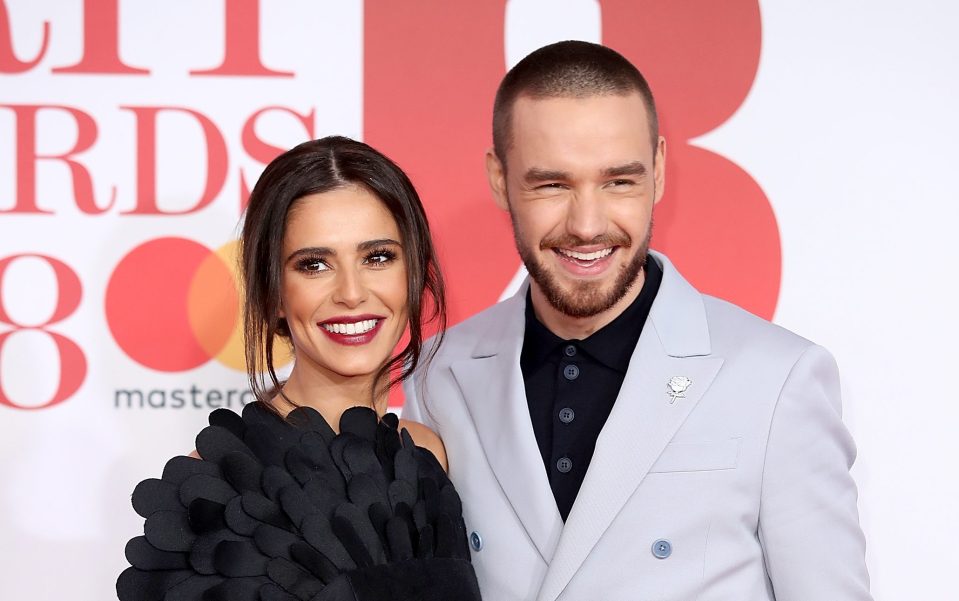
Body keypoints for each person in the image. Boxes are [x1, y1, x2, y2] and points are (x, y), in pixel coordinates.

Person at [403, 41, 872, 600]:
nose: (586, 224)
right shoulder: (439, 372)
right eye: (552, 184)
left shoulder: (779, 378)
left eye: (618, 181)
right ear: (500, 180)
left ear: (659, 170)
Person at [117, 136, 481, 601]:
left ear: (412, 272)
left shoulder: (430, 454)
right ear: (273, 294)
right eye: (314, 265)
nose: (351, 292)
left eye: (377, 257)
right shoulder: (214, 487)